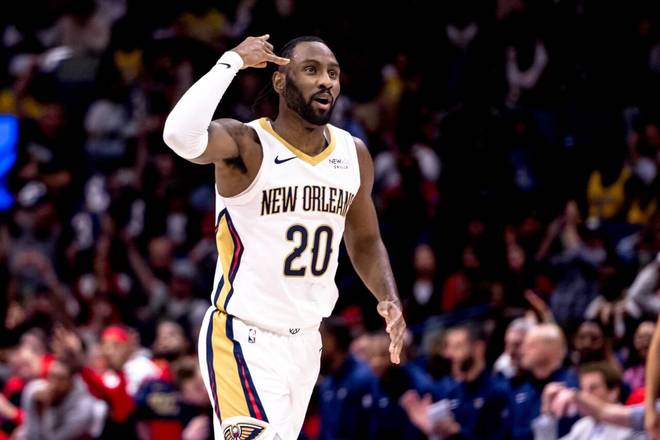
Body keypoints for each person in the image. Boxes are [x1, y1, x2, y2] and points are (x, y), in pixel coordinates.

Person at [162, 34, 406, 440]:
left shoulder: (353, 154)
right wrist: (232, 61)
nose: (325, 81)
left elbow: (364, 240)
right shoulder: (247, 144)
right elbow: (179, 136)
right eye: (311, 70)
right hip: (241, 336)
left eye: (333, 73)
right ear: (280, 80)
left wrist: (389, 296)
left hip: (306, 344)